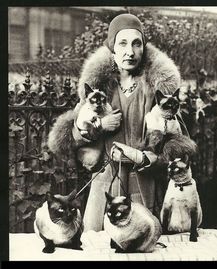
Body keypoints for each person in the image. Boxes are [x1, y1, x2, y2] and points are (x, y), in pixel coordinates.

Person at [48, 13, 188, 232]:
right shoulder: (98, 88)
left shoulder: (159, 90)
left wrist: (145, 157)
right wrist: (99, 128)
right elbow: (65, 142)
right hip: (104, 187)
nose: (130, 52)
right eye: (122, 43)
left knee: (142, 243)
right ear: (112, 47)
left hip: (144, 187)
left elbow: (180, 147)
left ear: (144, 47)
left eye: (136, 44)